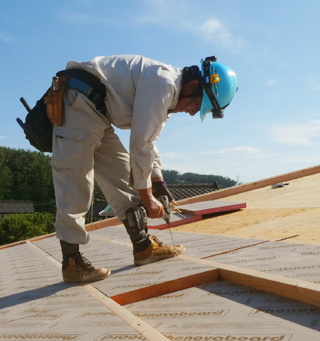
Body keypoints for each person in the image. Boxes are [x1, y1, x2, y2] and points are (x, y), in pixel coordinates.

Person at [51, 55, 238, 283]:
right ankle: (71, 263)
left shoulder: (168, 94)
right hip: (77, 104)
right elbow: (140, 143)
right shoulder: (164, 84)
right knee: (76, 185)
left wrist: (157, 182)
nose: (191, 112)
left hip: (97, 112)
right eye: (197, 105)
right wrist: (147, 196)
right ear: (191, 86)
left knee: (123, 180)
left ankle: (143, 248)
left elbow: (149, 141)